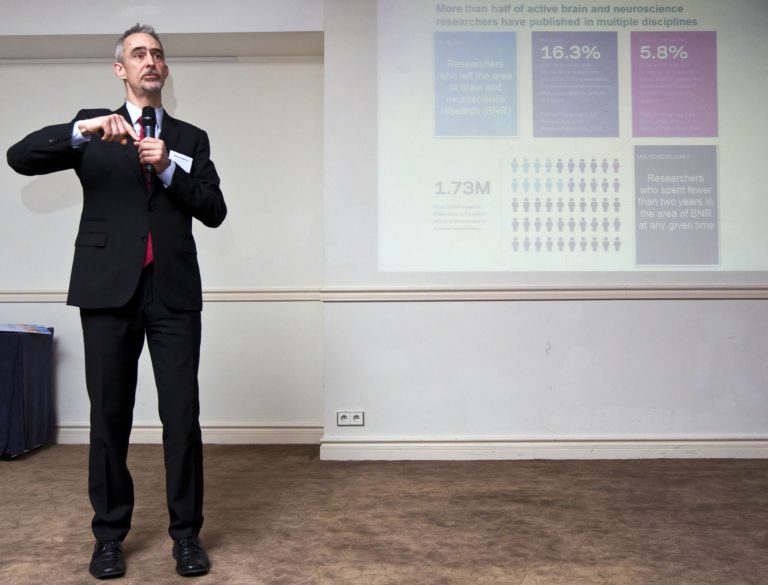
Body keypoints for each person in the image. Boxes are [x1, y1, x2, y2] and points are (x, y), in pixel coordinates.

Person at [7, 24, 227, 579]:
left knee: (182, 417)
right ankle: (108, 537)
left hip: (173, 293)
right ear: (120, 70)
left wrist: (168, 167)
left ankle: (186, 536)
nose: (149, 61)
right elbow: (19, 157)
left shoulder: (190, 137)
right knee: (109, 416)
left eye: (157, 54)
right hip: (107, 290)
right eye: (138, 54)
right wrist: (81, 130)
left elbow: (214, 209)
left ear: (165, 70)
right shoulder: (94, 129)